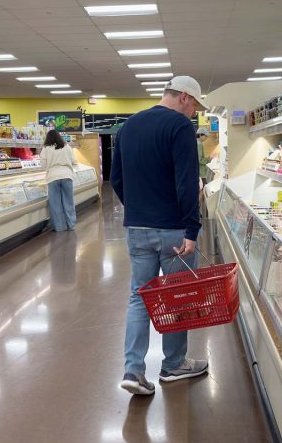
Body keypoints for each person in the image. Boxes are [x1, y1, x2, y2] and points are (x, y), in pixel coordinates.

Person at [111, 76, 209, 395]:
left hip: (137, 229)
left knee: (139, 297)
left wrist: (139, 210)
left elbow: (116, 179)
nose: (194, 112)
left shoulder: (127, 127)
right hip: (174, 231)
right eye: (194, 105)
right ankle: (173, 365)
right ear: (183, 97)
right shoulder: (179, 127)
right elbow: (186, 182)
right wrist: (192, 229)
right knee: (176, 294)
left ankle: (133, 370)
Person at [40, 129, 77, 231]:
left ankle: (59, 227)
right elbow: (74, 161)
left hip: (53, 177)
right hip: (67, 176)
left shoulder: (46, 149)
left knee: (55, 204)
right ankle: (71, 225)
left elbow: (43, 165)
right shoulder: (67, 147)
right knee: (69, 202)